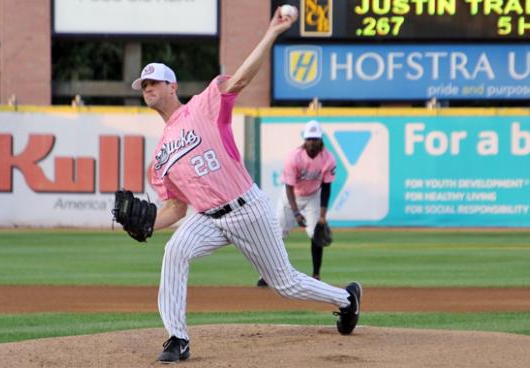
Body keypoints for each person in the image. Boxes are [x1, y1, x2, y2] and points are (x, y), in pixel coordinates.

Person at [132, 6, 361, 364]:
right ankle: (177, 338)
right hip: (207, 217)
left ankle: (346, 298)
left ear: (172, 87)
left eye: (154, 82)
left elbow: (239, 79)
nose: (147, 88)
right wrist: (147, 224)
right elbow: (176, 208)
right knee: (174, 251)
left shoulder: (203, 106)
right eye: (143, 84)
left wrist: (271, 34)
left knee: (284, 283)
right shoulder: (160, 156)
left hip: (245, 207)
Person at [256, 119, 335, 287]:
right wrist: (296, 213)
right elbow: (289, 187)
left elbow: (327, 187)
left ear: (321, 139)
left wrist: (322, 216)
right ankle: (268, 275)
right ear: (304, 140)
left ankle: (316, 275)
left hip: (313, 196)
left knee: (317, 234)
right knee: (276, 235)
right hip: (291, 197)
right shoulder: (294, 158)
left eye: (315, 139)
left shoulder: (328, 159)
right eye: (309, 139)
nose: (312, 142)